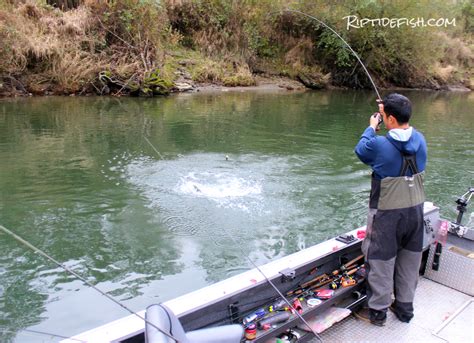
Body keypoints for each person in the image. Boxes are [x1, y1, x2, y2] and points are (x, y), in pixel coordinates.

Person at [353, 93, 427, 326]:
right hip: (415, 212)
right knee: (410, 260)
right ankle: (405, 310)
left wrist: (372, 126)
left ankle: (377, 312)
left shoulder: (378, 144)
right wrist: (385, 111)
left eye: (384, 116)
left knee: (381, 261)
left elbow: (361, 150)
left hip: (386, 214)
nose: (382, 118)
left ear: (390, 119)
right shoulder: (421, 139)